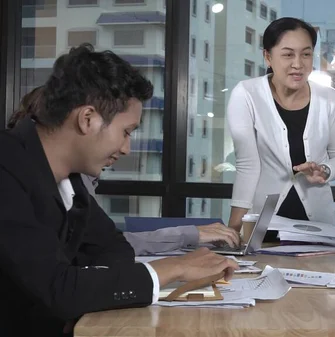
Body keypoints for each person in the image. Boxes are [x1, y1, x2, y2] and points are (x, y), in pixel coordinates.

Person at [0, 44, 238, 336]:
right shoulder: (7, 168)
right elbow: (58, 290)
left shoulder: (69, 179)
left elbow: (114, 248)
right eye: (126, 132)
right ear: (87, 119)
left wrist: (84, 285)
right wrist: (172, 269)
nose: (126, 148)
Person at [8, 86, 242, 256]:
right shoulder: (27, 183)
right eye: (125, 132)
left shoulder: (74, 179)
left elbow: (106, 243)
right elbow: (92, 253)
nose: (125, 149)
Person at [226, 17, 335, 232]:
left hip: (317, 226)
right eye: (288, 54)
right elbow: (248, 166)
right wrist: (235, 227)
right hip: (263, 225)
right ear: (268, 56)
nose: (298, 64)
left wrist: (324, 170)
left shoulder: (329, 98)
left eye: (306, 54)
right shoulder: (247, 94)